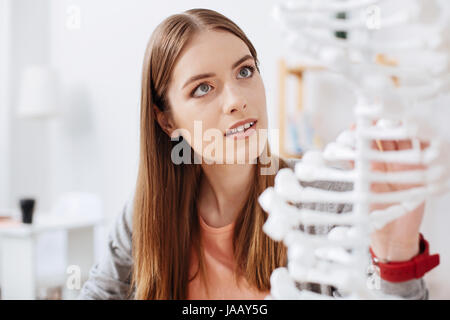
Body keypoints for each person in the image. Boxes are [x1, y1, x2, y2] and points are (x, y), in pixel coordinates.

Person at [78, 8, 436, 300]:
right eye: (203, 88)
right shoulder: (147, 214)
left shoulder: (326, 202)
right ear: (167, 120)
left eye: (245, 71)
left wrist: (396, 257)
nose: (237, 100)